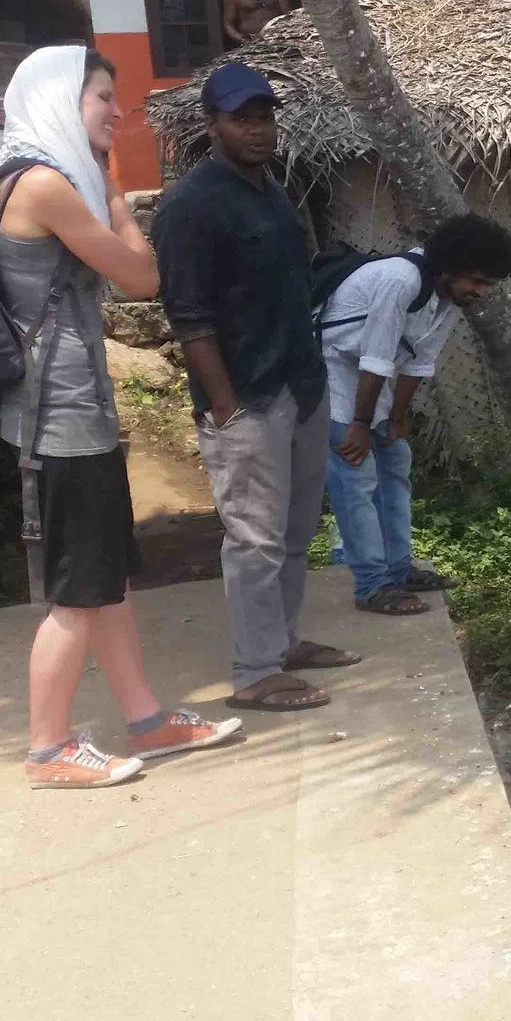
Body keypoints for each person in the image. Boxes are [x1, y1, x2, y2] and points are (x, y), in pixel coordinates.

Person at [0, 45, 242, 787]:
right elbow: (141, 276)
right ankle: (47, 749)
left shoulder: (27, 176)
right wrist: (110, 189)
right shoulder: (44, 184)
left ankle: (146, 719)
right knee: (80, 589)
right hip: (61, 417)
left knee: (108, 580)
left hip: (74, 411)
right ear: (59, 101)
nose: (117, 110)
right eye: (103, 96)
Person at [152, 62, 357, 712]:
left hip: (299, 383)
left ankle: (283, 643)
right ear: (212, 124)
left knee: (294, 533)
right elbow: (188, 315)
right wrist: (225, 405)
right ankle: (255, 672)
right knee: (254, 539)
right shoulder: (190, 205)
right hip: (245, 396)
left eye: (265, 117)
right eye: (243, 118)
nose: (259, 129)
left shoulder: (272, 191)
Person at [317, 215, 511, 614]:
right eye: (477, 281)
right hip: (329, 364)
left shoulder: (448, 297)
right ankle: (372, 585)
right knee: (355, 474)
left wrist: (396, 419)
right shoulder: (400, 279)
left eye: (489, 284)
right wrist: (360, 424)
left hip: (364, 373)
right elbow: (377, 357)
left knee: (395, 459)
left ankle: (399, 569)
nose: (482, 292)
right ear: (450, 267)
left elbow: (419, 363)